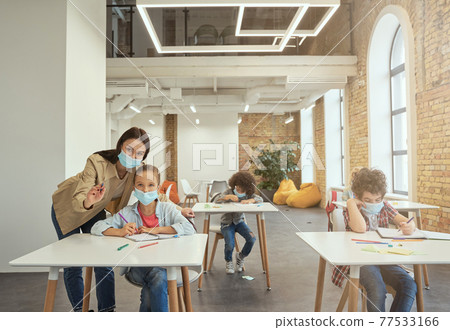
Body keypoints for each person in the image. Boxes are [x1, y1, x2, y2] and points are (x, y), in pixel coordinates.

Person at [51, 127, 193, 312]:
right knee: (73, 263)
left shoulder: (135, 171)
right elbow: (80, 193)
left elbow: (155, 193)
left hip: (95, 210)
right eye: (129, 149)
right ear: (120, 147)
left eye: (139, 153)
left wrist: (180, 210)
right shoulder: (97, 161)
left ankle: (107, 310)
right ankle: (80, 311)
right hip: (70, 206)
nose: (133, 155)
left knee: (103, 260)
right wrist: (88, 201)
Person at [91, 164, 196, 312]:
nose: (145, 190)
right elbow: (97, 227)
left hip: (166, 264)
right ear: (134, 188)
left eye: (151, 185)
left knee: (151, 288)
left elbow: (189, 227)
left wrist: (155, 230)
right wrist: (120, 231)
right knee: (159, 277)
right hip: (137, 267)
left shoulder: (168, 209)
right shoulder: (126, 213)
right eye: (140, 185)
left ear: (158, 188)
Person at [332, 168, 417, 312]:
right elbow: (360, 228)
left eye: (378, 200)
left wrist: (410, 226)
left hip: (382, 257)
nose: (374, 203)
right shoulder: (352, 209)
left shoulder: (384, 207)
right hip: (360, 261)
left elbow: (407, 221)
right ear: (358, 196)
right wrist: (352, 203)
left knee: (409, 285)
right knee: (377, 289)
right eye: (367, 200)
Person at [215, 171, 262, 274]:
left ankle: (241, 256)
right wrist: (226, 197)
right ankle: (228, 261)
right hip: (226, 223)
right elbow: (216, 200)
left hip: (239, 222)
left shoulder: (248, 194)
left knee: (251, 239)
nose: (238, 189)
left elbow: (260, 199)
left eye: (241, 188)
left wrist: (251, 201)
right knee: (230, 244)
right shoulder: (228, 191)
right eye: (237, 186)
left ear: (246, 187)